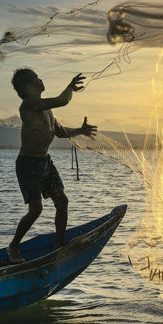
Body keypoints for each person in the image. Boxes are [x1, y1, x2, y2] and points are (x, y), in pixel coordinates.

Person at [7, 68, 97, 263]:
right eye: (37, 78)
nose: (41, 80)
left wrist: (80, 131)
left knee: (62, 202)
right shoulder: (29, 104)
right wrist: (70, 87)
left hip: (45, 161)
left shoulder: (46, 109)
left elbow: (60, 132)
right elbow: (62, 100)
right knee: (36, 209)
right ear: (29, 87)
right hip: (28, 163)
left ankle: (58, 246)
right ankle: (14, 247)